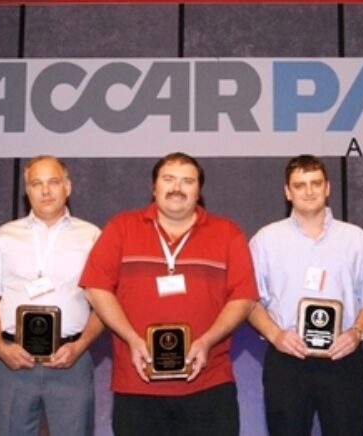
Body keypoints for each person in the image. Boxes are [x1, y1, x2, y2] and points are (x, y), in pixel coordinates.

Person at [79, 152, 258, 436]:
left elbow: (244, 297)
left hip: (209, 383)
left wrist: (207, 341)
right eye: (168, 179)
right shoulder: (121, 228)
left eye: (188, 181)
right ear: (154, 187)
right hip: (137, 384)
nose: (177, 188)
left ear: (199, 190)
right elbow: (95, 287)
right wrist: (132, 339)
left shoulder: (228, 233)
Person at [248, 154, 363, 436]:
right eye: (300, 185)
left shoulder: (356, 239)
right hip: (287, 359)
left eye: (316, 183)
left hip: (343, 357)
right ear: (288, 192)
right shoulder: (265, 240)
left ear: (328, 188)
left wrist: (356, 333)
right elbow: (249, 302)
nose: (309, 191)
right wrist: (277, 335)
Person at [0, 155, 104, 436]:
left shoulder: (92, 236)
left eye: (53, 182)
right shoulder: (4, 236)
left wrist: (80, 347)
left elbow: (105, 306)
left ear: (67, 187)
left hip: (71, 360)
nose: (45, 191)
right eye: (37, 183)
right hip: (14, 362)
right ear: (27, 190)